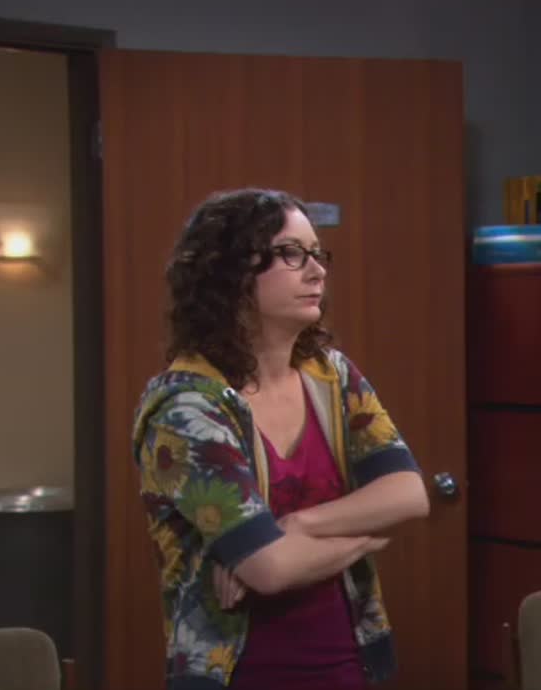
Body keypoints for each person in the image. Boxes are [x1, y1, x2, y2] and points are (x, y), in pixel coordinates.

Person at [131, 188, 430, 689]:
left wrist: (297, 525)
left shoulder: (332, 377)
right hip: (242, 673)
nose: (317, 271)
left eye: (316, 253)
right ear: (230, 273)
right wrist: (370, 533)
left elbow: (408, 494)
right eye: (291, 253)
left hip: (348, 664)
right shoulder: (188, 408)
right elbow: (269, 568)